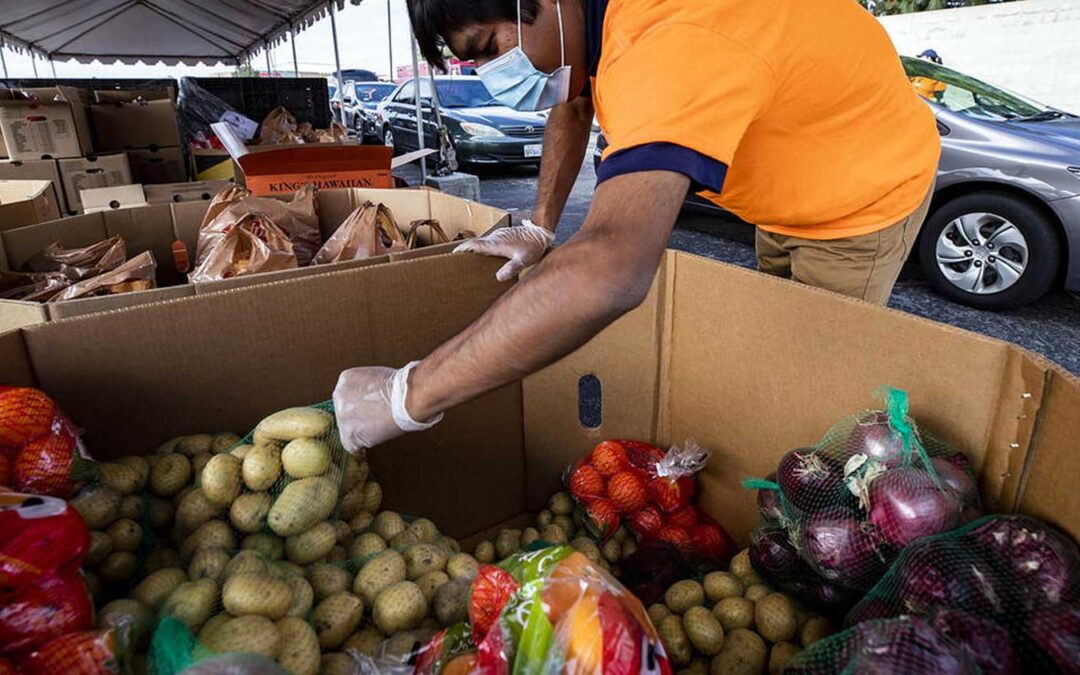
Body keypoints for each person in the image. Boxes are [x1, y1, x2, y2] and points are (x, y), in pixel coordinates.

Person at [332, 0, 941, 453]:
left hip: (860, 199)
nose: (497, 71)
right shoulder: (598, 21)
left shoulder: (673, 41)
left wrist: (410, 396)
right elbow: (572, 106)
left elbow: (610, 269)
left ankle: (827, 509)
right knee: (776, 332)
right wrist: (541, 225)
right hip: (784, 191)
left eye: (490, 45)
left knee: (809, 382)